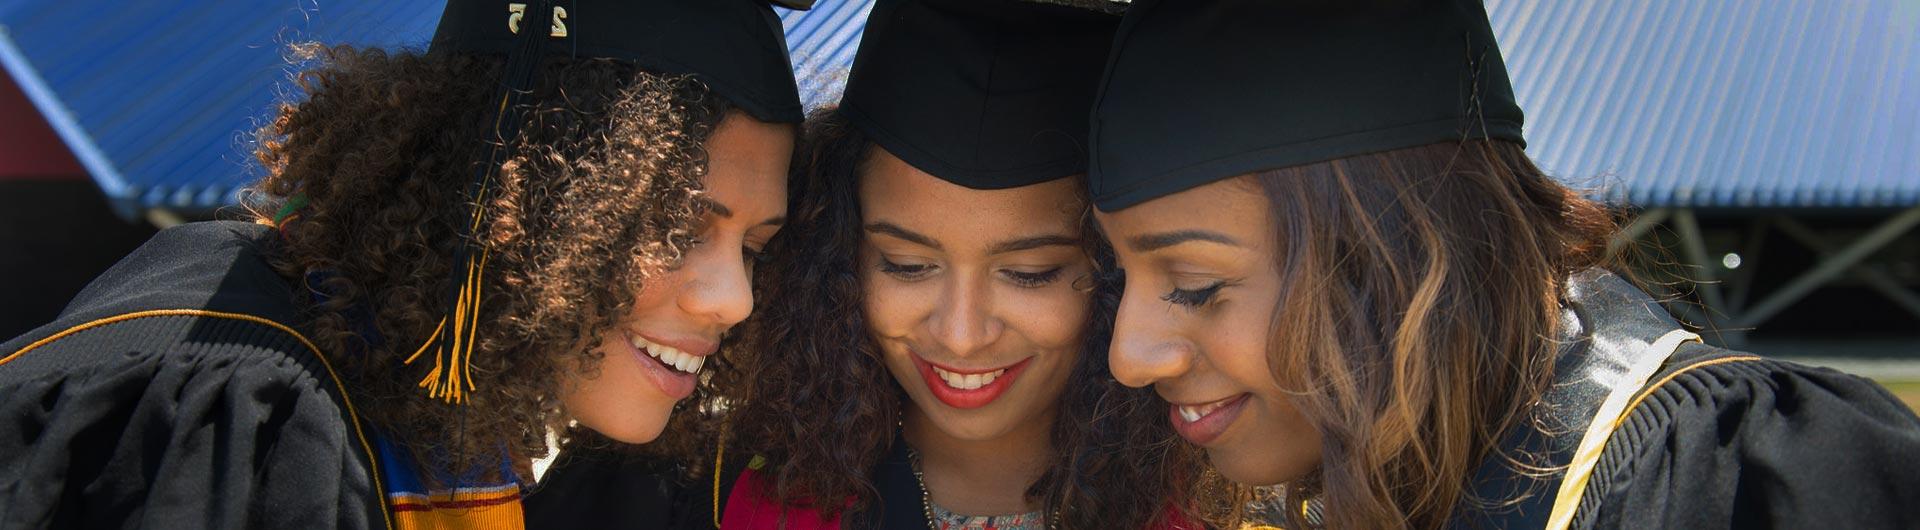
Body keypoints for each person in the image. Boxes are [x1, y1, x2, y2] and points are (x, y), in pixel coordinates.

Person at [1085, 1, 1920, 529]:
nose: (1129, 355)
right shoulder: (1340, 494)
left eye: (1196, 286)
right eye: (1120, 279)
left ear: (1398, 253)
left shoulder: (1737, 485)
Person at [0, 1, 804, 528]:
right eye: (673, 225)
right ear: (513, 182)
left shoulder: (433, 411)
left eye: (756, 248)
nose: (734, 299)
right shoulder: (239, 411)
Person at [526, 1, 1205, 528]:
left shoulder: (1224, 499)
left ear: (1119, 275)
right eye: (907, 264)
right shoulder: (673, 489)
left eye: (1030, 273)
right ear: (835, 256)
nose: (961, 335)